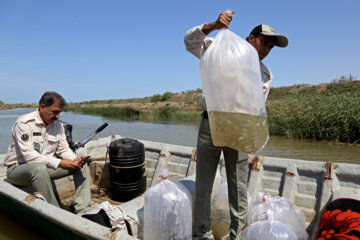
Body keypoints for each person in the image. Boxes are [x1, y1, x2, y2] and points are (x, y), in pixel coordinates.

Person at [184, 11, 288, 240]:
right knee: (203, 184)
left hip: (240, 129)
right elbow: (190, 41)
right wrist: (213, 25)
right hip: (210, 123)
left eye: (271, 47)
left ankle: (237, 236)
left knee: (239, 187)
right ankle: (202, 233)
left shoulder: (265, 74)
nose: (266, 49)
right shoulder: (221, 49)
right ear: (251, 38)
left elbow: (255, 109)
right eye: (264, 42)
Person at [4, 91, 91, 214]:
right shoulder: (24, 123)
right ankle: (55, 213)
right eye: (55, 112)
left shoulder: (58, 125)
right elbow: (29, 156)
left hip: (45, 168)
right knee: (39, 169)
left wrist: (74, 160)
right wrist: (60, 163)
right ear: (42, 107)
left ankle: (83, 210)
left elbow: (63, 149)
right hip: (18, 170)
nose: (57, 116)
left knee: (81, 165)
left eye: (59, 112)